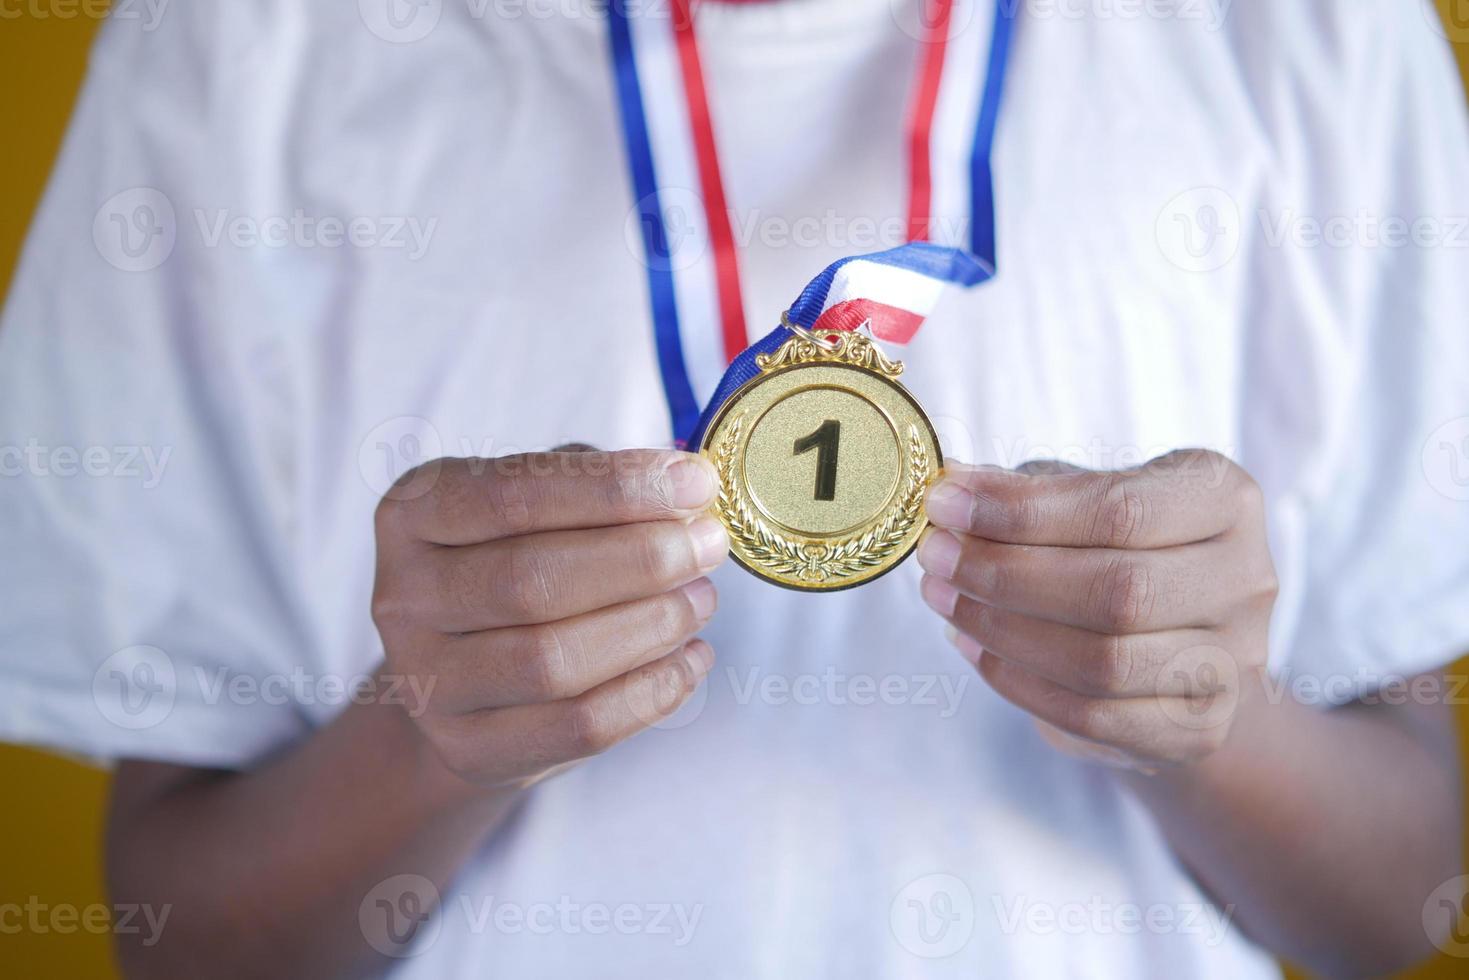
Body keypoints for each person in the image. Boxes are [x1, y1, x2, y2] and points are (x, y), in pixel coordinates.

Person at [2, 1, 1467, 977]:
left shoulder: (1312, 31)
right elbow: (169, 927)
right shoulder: (229, 48)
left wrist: (1213, 735)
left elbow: (1402, 904)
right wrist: (426, 752)